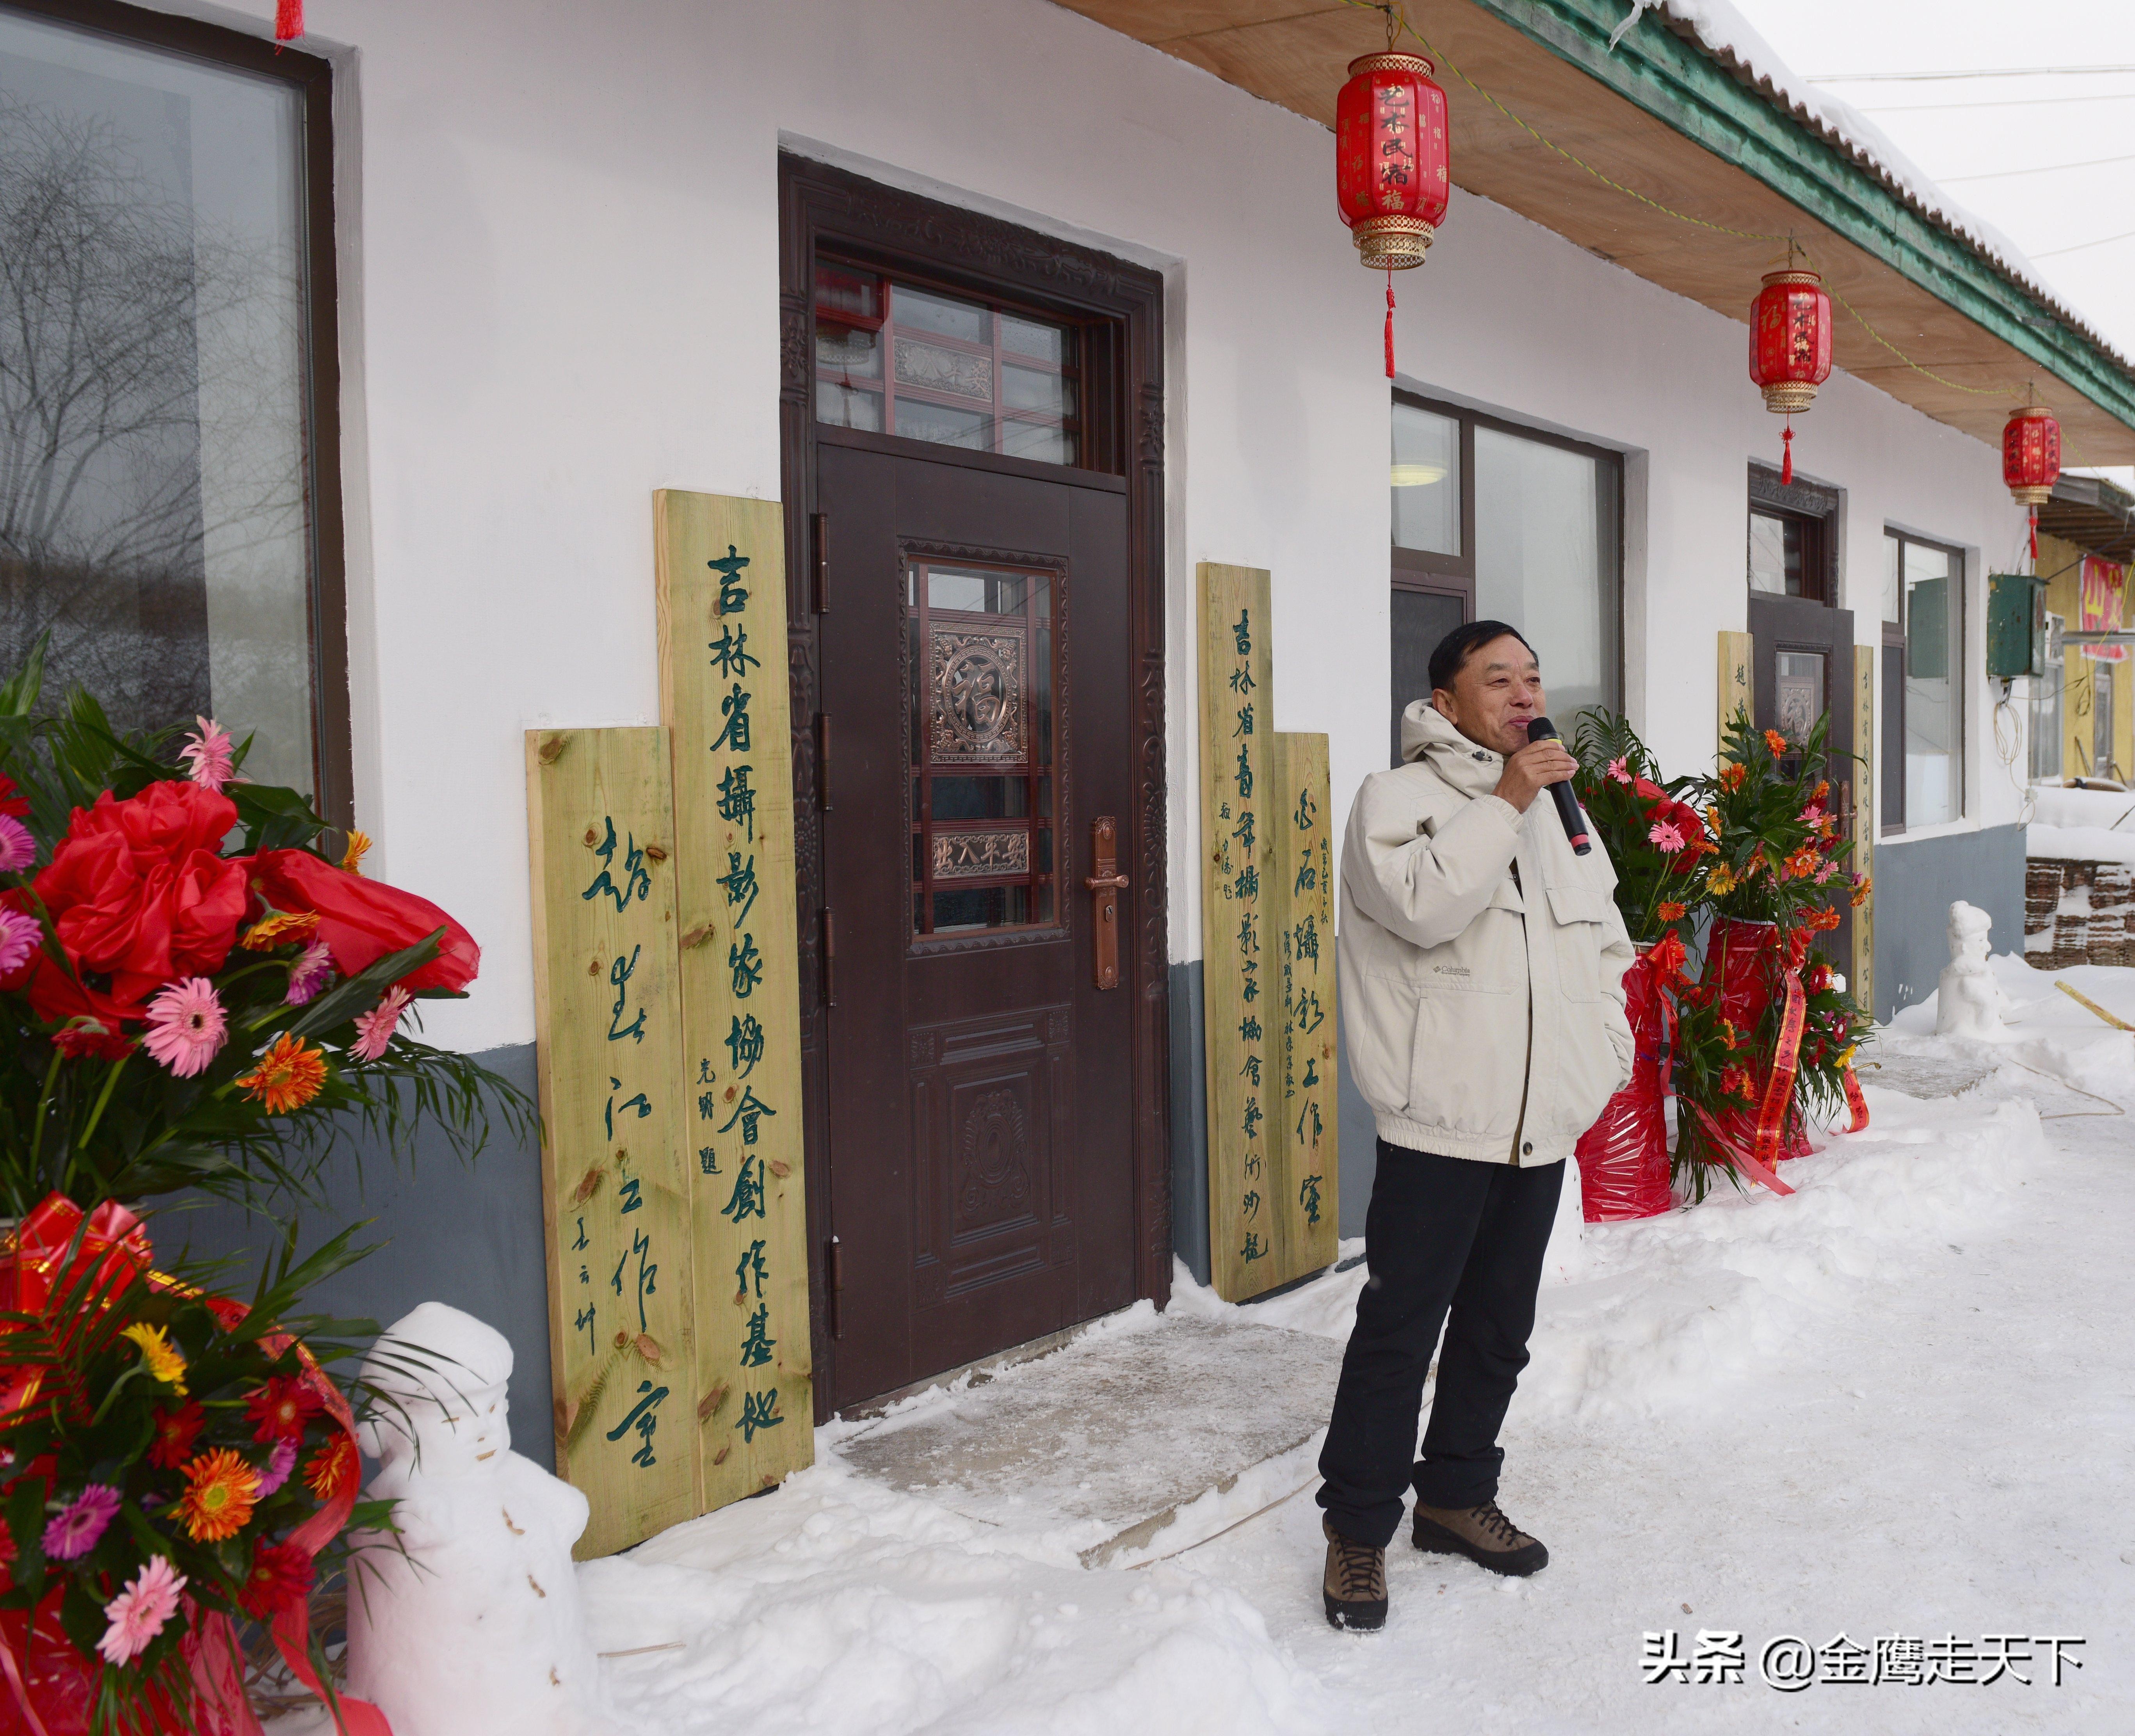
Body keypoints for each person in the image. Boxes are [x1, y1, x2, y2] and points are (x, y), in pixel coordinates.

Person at [1318, 621, 1633, 1632]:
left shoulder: (1559, 814)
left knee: (1499, 1329)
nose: (1523, 695)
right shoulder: (1396, 801)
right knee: (1399, 1332)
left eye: (1532, 678)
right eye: (1497, 680)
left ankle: (1455, 1496)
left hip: (1539, 1124)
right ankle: (1358, 1529)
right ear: (1446, 704)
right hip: (1441, 1124)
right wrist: (1505, 801)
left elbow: (1607, 946)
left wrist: (1603, 1055)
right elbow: (1422, 907)